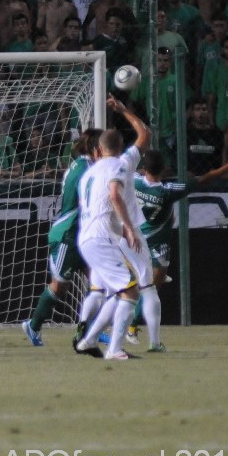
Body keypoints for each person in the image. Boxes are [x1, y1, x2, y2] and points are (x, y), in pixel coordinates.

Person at [128, 149, 228, 344]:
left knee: (137, 284)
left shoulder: (134, 181)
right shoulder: (167, 191)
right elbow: (205, 179)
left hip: (137, 238)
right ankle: (133, 325)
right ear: (164, 169)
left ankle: (128, 324)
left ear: (143, 168)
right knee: (151, 289)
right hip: (158, 242)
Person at [75, 96, 156, 359]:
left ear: (98, 149)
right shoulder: (122, 164)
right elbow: (144, 134)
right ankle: (115, 349)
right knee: (132, 290)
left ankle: (87, 341)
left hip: (89, 238)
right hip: (101, 239)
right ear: (122, 146)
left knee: (119, 291)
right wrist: (130, 228)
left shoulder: (89, 173)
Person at [21, 128, 102, 346]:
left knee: (99, 280)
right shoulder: (86, 170)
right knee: (60, 286)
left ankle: (90, 330)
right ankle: (33, 325)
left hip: (83, 233)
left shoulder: (82, 165)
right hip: (69, 234)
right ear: (96, 148)